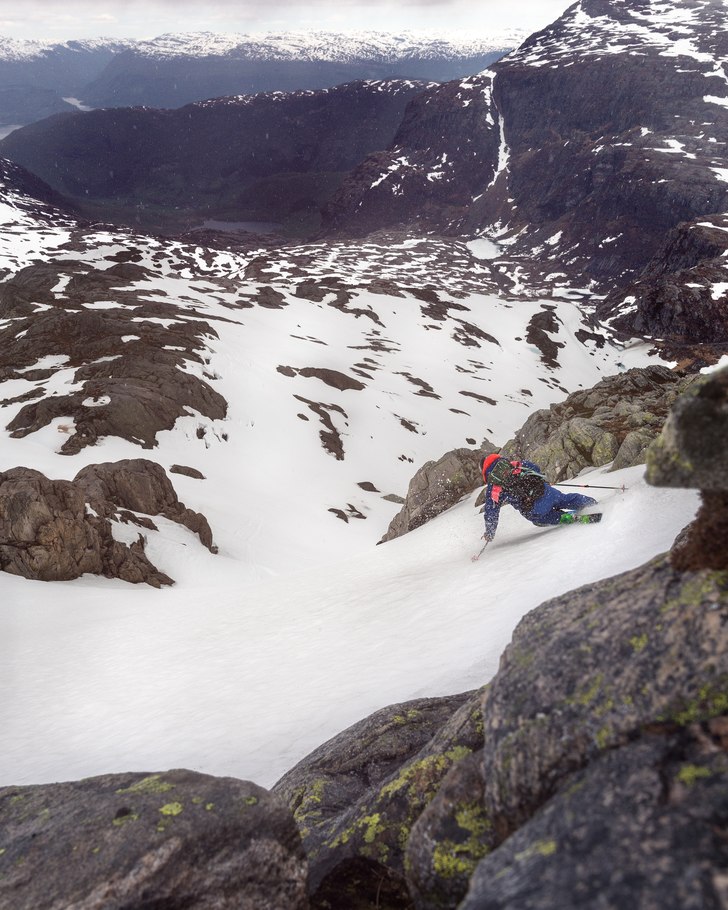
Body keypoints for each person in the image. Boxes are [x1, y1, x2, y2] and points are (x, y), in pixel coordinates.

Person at [479, 453, 597, 543]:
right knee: (565, 499)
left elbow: (491, 511)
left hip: (534, 509)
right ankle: (591, 503)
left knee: (543, 519)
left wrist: (490, 532)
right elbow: (535, 468)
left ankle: (569, 518)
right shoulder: (516, 465)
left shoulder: (494, 487)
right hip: (547, 492)